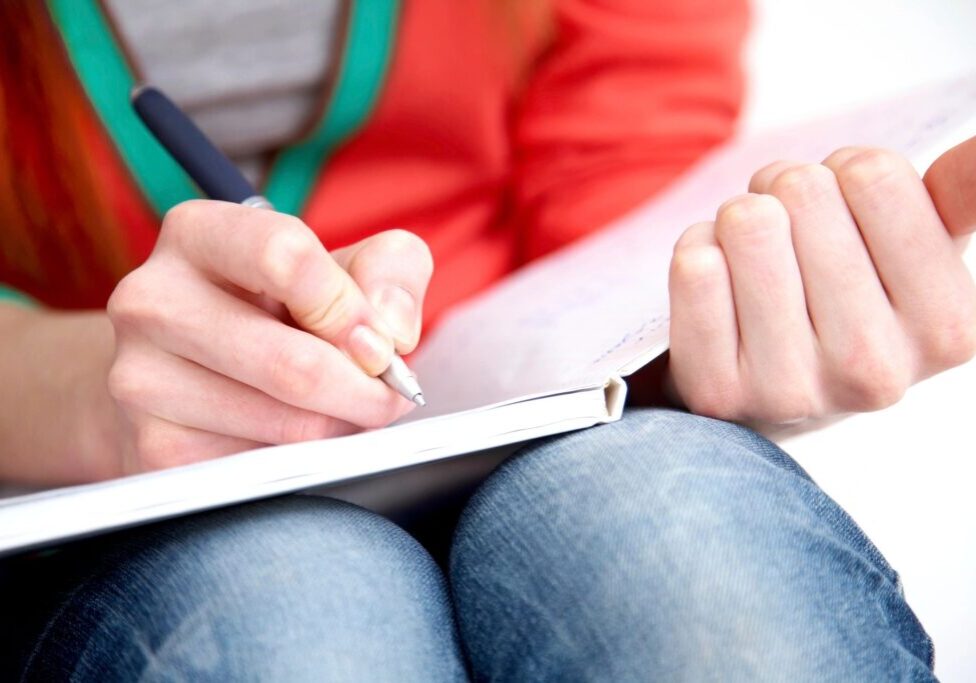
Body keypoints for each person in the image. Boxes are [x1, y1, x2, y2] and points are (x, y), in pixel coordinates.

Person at [0, 0, 971, 679]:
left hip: (520, 417)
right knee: (290, 604)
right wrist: (91, 390)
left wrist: (728, 318)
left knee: (680, 527)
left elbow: (620, 197)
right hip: (95, 496)